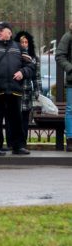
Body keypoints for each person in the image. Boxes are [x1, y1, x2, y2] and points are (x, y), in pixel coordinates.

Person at [0, 22, 33, 155]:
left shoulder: (19, 47)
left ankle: (18, 146)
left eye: (0, 30)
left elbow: (31, 66)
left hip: (15, 90)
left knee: (16, 120)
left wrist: (23, 72)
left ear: (9, 32)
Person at [15, 30, 41, 143]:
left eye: (26, 42)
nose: (24, 44)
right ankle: (13, 142)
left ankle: (23, 142)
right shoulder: (14, 56)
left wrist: (37, 91)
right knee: (14, 118)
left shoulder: (34, 59)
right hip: (14, 91)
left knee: (25, 118)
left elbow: (37, 77)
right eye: (22, 42)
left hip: (26, 92)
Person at [57, 21, 72, 151]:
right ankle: (70, 140)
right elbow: (59, 56)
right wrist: (70, 68)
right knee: (70, 110)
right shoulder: (68, 36)